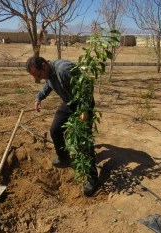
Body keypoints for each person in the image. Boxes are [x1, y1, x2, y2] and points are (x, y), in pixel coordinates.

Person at [25, 56, 98, 196]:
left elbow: (87, 86)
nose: (39, 79)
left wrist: (84, 108)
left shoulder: (65, 70)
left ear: (44, 65)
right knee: (55, 130)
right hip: (69, 103)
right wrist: (39, 97)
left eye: (39, 75)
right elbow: (48, 84)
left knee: (84, 142)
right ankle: (64, 158)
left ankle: (93, 180)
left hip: (83, 103)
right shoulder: (49, 74)